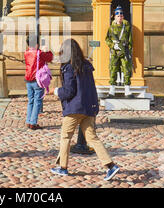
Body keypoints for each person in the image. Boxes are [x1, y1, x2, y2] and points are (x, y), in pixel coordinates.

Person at [49, 39, 120, 180]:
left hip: (75, 109)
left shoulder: (69, 68)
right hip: (89, 107)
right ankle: (111, 166)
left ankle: (63, 167)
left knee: (65, 137)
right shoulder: (86, 65)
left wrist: (56, 91)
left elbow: (69, 91)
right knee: (92, 138)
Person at [24, 34, 53, 130]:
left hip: (28, 80)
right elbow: (50, 58)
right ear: (37, 44)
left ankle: (28, 121)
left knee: (30, 101)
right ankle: (33, 122)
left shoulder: (26, 53)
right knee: (37, 101)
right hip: (37, 80)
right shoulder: (39, 53)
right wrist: (47, 50)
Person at [105, 5, 133, 97]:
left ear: (123, 17)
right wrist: (113, 45)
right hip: (115, 52)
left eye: (121, 15)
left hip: (124, 51)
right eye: (118, 16)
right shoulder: (111, 28)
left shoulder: (127, 27)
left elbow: (130, 40)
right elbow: (107, 39)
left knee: (126, 69)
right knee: (113, 69)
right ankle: (112, 90)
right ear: (115, 16)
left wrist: (129, 51)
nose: (119, 17)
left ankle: (127, 90)